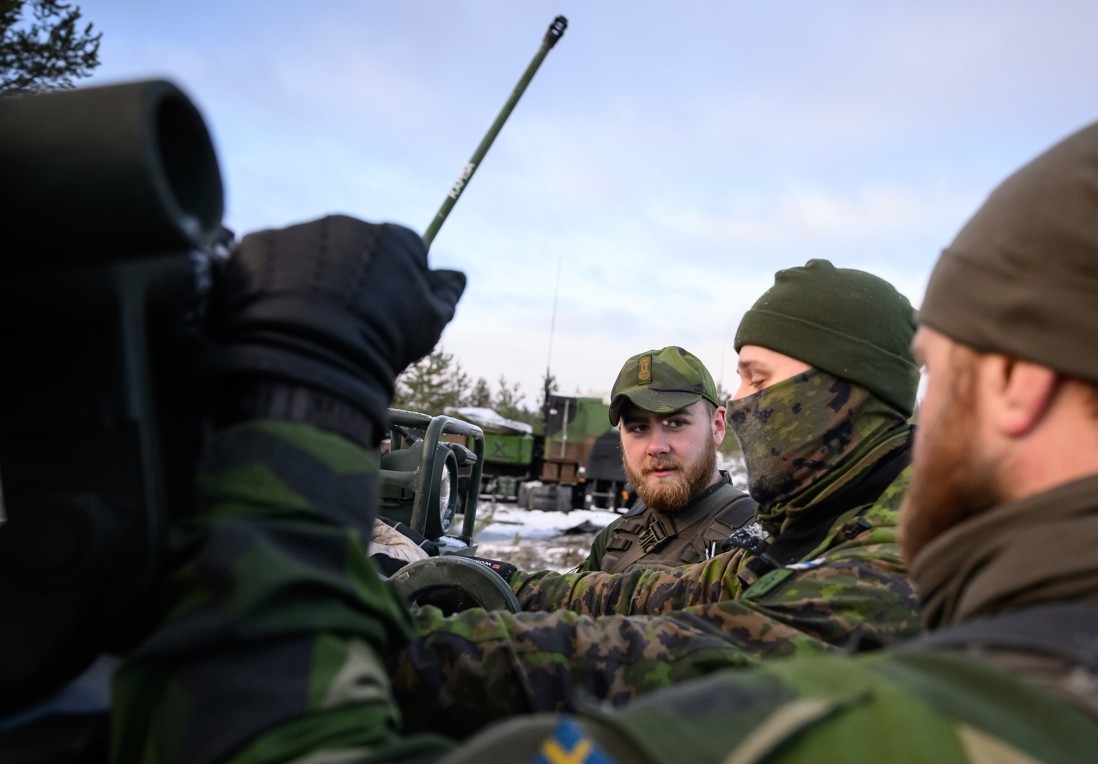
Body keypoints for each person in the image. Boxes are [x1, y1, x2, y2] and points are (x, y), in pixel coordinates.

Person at [446, 110, 1098, 761]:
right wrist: (489, 583)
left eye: (947, 367)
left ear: (1018, 388)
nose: (928, 408)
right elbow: (691, 586)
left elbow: (715, 658)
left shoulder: (952, 694)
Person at [110, 246, 923, 758]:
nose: (743, 406)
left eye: (757, 380)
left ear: (845, 389)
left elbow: (684, 659)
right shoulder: (812, 530)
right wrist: (447, 572)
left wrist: (371, 650)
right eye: (738, 378)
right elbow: (622, 597)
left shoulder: (904, 548)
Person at [575, 346, 756, 573]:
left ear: (717, 427)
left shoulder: (755, 538)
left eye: (676, 423)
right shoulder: (615, 539)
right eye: (639, 427)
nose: (656, 447)